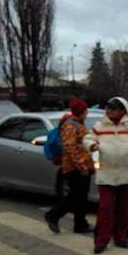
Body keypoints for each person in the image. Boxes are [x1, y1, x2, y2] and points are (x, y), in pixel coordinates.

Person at [84, 97, 128, 254]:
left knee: (124, 209)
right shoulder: (100, 125)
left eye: (113, 109)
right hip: (106, 173)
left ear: (123, 110)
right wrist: (92, 145)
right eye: (108, 108)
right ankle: (101, 240)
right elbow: (88, 139)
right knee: (105, 208)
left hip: (126, 172)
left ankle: (121, 238)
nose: (109, 111)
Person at [45, 98, 94, 234]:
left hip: (81, 165)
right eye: (86, 111)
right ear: (81, 112)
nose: (87, 113)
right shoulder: (71, 125)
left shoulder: (77, 123)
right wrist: (81, 166)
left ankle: (80, 224)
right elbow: (70, 148)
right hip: (75, 168)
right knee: (75, 196)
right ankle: (53, 215)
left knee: (80, 197)